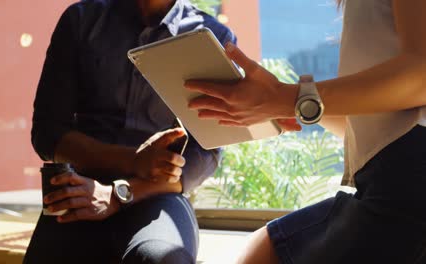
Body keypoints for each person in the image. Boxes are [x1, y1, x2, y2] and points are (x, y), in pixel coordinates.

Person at [185, 0, 426, 263]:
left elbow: (421, 75)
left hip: (406, 186)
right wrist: (285, 105)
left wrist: (285, 98)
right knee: (263, 248)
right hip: (390, 180)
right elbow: (373, 125)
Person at [24, 0, 236, 263]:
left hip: (158, 194)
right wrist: (133, 160)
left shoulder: (211, 37)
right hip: (80, 190)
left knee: (164, 259)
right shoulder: (81, 20)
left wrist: (120, 194)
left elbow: (206, 154)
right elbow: (48, 133)